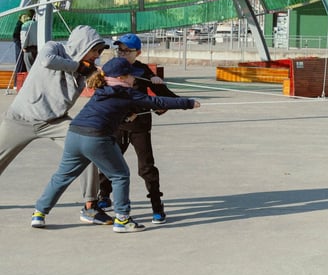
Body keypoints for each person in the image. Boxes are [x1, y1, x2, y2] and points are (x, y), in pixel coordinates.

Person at [29, 57, 200, 232]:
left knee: (62, 176)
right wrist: (188, 103)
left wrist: (126, 116)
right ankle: (123, 219)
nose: (135, 79)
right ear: (122, 78)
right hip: (96, 138)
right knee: (120, 175)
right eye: (132, 76)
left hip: (74, 134)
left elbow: (109, 111)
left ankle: (39, 213)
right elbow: (158, 102)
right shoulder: (126, 93)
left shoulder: (102, 89)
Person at [0, 25, 113, 224]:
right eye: (95, 50)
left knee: (88, 148)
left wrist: (105, 80)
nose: (96, 56)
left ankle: (90, 207)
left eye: (99, 52)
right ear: (82, 45)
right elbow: (46, 61)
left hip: (55, 121)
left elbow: (104, 92)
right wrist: (79, 67)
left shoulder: (87, 71)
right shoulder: (53, 48)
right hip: (20, 119)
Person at [96, 33, 178, 223]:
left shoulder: (143, 72)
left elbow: (162, 97)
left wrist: (165, 89)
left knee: (146, 168)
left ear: (138, 52)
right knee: (108, 162)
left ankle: (157, 206)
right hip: (116, 125)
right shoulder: (113, 68)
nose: (122, 54)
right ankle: (104, 195)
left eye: (127, 51)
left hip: (139, 127)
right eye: (120, 50)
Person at [11, 10, 34, 76]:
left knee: (23, 64)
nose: (27, 18)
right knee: (20, 63)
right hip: (21, 47)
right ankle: (18, 82)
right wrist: (22, 46)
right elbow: (15, 36)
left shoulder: (25, 24)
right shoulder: (20, 25)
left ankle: (19, 82)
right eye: (24, 17)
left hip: (24, 46)